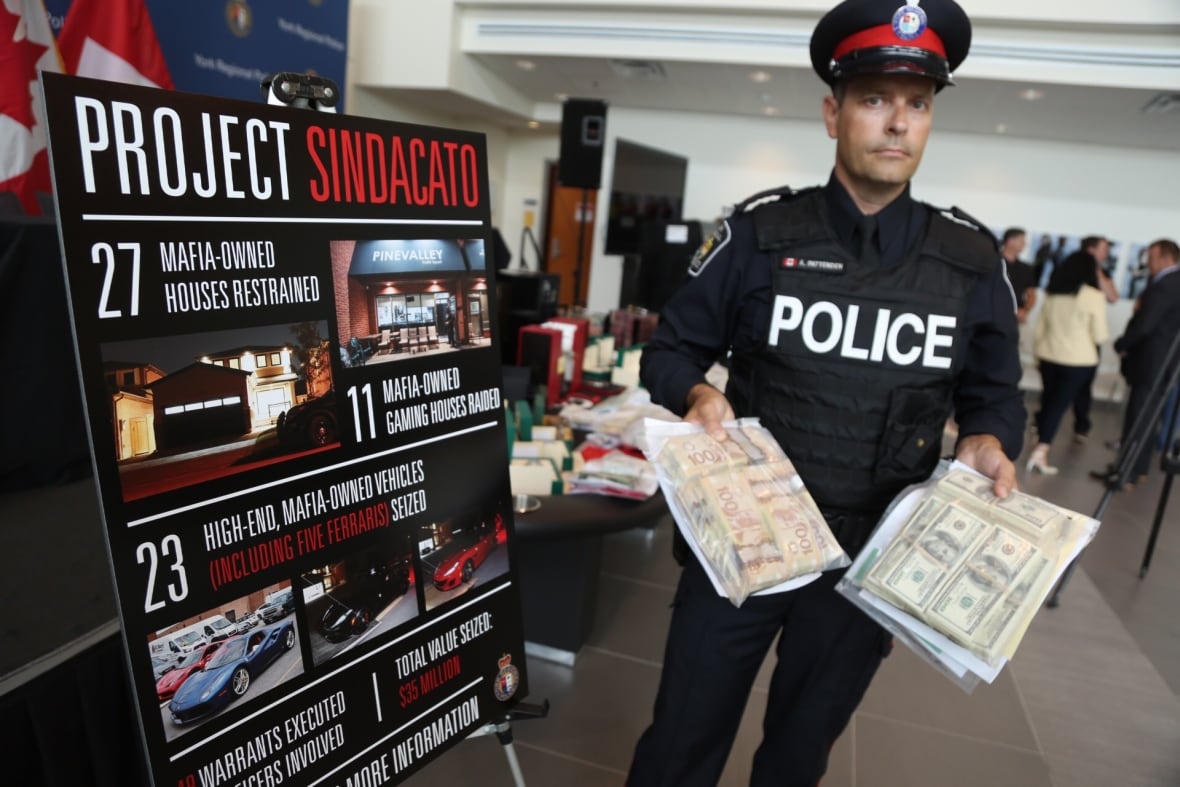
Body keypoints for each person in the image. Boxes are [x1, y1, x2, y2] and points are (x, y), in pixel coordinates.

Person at [627, 2, 1025, 784]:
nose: (897, 123)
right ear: (832, 113)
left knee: (799, 755)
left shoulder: (970, 260)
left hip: (867, 557)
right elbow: (669, 349)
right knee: (680, 742)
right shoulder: (758, 235)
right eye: (875, 98)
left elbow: (993, 392)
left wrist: (986, 440)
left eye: (916, 103)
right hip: (746, 538)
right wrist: (701, 397)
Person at [1092, 239, 1180, 488]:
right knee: (1148, 419)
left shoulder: (1165, 285)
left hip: (1151, 363)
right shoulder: (1173, 283)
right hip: (1164, 365)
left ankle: (1125, 473)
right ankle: (1138, 468)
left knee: (1138, 419)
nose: (1147, 263)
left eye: (1151, 257)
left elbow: (1145, 324)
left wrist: (1123, 344)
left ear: (1165, 257)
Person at [1026, 253, 1110, 474]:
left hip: (1048, 357)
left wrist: (1036, 358)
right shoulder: (1093, 296)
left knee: (1049, 401)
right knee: (1057, 406)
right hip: (1078, 361)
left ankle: (1039, 443)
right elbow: (1100, 335)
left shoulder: (1053, 294)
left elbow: (1040, 331)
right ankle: (1040, 451)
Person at [1052, 236, 1116, 444]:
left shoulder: (1100, 275)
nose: (1106, 254)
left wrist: (1095, 269)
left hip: (1085, 342)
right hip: (1064, 337)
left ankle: (1080, 424)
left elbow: (1113, 296)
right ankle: (1046, 426)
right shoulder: (1066, 272)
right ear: (1091, 249)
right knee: (1055, 384)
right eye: (1103, 249)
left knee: (1082, 386)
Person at [1001, 227, 1038, 324]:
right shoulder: (992, 262)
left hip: (1013, 318)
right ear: (1010, 241)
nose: (1025, 243)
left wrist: (1025, 310)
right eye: (1021, 240)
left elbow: (1031, 294)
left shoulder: (1026, 269)